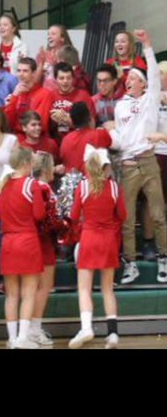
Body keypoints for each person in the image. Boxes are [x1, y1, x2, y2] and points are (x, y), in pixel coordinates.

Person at [112, 28, 167, 286]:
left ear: (143, 83)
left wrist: (147, 45)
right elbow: (121, 135)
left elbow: (155, 75)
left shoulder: (150, 100)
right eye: (127, 78)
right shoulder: (120, 105)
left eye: (133, 77)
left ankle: (164, 259)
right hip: (128, 164)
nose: (128, 80)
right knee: (127, 219)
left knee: (158, 214)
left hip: (148, 161)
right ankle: (130, 263)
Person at [68, 145, 126, 349]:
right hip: (109, 240)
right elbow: (123, 216)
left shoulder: (83, 187)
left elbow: (74, 216)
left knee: (84, 288)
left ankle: (86, 328)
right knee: (108, 289)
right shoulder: (115, 188)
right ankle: (113, 334)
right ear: (105, 168)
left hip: (89, 239)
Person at [0, 145, 46, 349]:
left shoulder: (1, 185)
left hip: (7, 242)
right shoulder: (31, 184)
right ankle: (23, 338)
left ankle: (12, 339)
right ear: (26, 163)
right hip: (27, 241)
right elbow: (39, 214)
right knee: (29, 292)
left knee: (11, 294)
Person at [30, 151, 58, 348]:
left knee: (36, 287)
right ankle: (34, 328)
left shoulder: (35, 186)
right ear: (47, 168)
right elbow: (44, 218)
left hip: (39, 240)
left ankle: (31, 327)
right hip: (43, 241)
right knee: (43, 287)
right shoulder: (42, 188)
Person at [59, 101, 114, 173]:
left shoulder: (65, 140)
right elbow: (111, 142)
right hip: (93, 182)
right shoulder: (99, 134)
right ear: (90, 118)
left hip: (72, 182)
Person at [0, 11, 27, 75]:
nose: (1, 27)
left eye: (5, 25)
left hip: (15, 82)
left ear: (13, 29)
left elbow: (25, 68)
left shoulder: (21, 46)